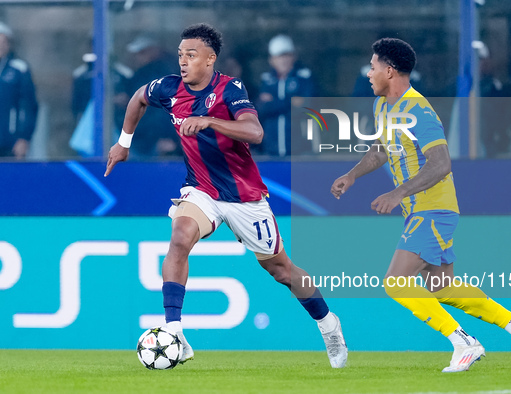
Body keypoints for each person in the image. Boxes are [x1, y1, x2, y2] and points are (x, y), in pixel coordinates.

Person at [104, 23, 347, 368]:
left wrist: (209, 121)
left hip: (243, 197)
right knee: (179, 237)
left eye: (191, 55)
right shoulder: (169, 87)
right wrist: (123, 143)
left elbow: (255, 132)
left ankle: (328, 325)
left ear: (210, 59)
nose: (183, 61)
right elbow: (139, 97)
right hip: (202, 190)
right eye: (180, 55)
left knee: (281, 270)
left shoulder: (230, 89)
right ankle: (175, 333)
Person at [330, 38, 511, 372]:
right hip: (424, 210)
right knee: (441, 287)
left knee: (396, 282)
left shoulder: (419, 110)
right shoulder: (384, 106)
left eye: (372, 67)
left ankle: (463, 343)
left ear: (390, 70)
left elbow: (441, 162)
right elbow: (383, 150)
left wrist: (398, 192)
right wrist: (352, 175)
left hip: (431, 207)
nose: (369, 73)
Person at [256, 34, 314, 156]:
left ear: (294, 57)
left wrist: (274, 102)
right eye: (278, 56)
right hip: (271, 150)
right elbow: (260, 109)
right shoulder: (266, 80)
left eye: (286, 55)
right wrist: (290, 102)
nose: (283, 60)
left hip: (300, 151)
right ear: (271, 60)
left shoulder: (304, 77)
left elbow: (306, 108)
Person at [124, 34, 181, 158]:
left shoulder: (161, 74)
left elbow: (164, 109)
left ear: (154, 51)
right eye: (137, 54)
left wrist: (166, 136)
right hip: (143, 138)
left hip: (155, 141)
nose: (137, 57)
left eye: (142, 52)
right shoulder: (140, 75)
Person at [0, 22, 38, 159]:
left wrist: (24, 138)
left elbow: (29, 107)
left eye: (3, 40)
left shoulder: (19, 69)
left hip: (9, 141)